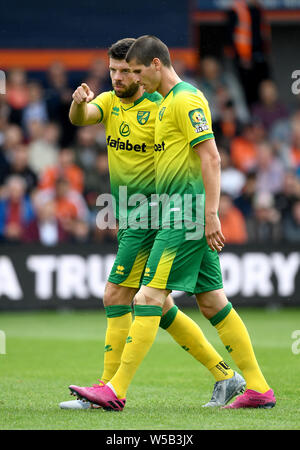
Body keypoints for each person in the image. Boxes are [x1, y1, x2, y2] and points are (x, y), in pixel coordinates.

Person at [69, 35, 276, 411]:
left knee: (148, 297)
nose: (130, 79)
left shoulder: (186, 99)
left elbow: (211, 158)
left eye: (135, 71)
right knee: (212, 302)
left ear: (155, 65)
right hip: (172, 213)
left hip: (183, 214)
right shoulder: (165, 105)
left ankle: (114, 390)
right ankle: (255, 386)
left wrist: (210, 213)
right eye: (119, 71)